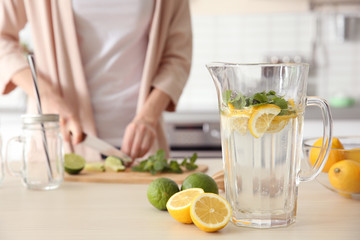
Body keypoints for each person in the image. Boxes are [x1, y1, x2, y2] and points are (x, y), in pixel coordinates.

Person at [0, 0, 192, 162]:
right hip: (60, 144)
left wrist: (148, 117)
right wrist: (48, 98)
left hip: (142, 150)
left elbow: (177, 57)